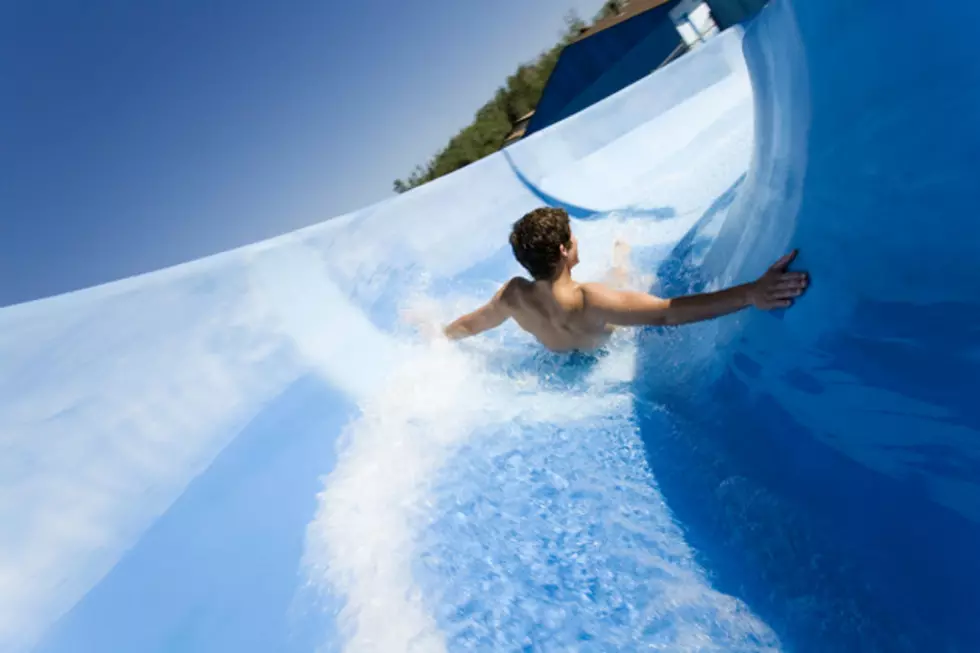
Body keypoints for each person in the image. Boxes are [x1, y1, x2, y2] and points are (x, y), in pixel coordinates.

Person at [441, 207, 809, 352]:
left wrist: (438, 339)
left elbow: (471, 326)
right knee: (627, 282)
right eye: (572, 237)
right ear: (564, 251)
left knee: (616, 286)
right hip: (602, 339)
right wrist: (750, 293)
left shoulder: (513, 296)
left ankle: (622, 260)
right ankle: (623, 258)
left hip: (561, 357)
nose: (576, 241)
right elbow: (668, 314)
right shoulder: (591, 299)